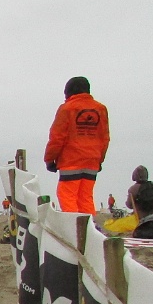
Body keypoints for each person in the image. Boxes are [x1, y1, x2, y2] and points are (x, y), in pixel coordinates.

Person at [43, 76, 110, 215]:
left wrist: (50, 159)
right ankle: (88, 230)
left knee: (67, 196)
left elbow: (57, 137)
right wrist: (99, 160)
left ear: (69, 91)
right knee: (85, 198)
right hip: (92, 160)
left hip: (71, 160)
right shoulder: (101, 109)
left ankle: (74, 230)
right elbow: (105, 138)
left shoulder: (67, 109)